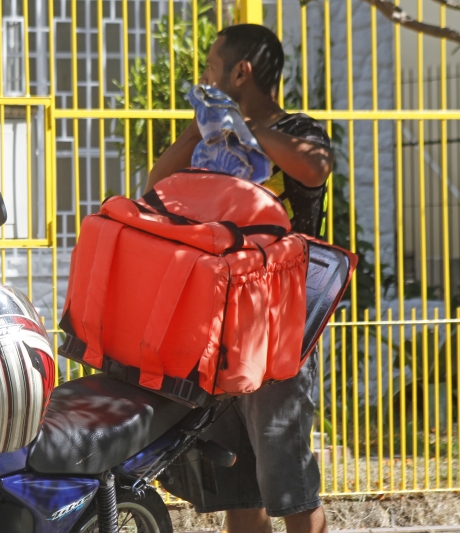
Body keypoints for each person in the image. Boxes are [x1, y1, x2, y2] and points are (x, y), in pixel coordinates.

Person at [149, 24, 334, 533]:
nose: (204, 76)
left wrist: (244, 122)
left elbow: (316, 167)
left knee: (288, 480)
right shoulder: (210, 138)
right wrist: (196, 130)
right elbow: (155, 188)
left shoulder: (298, 129)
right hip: (219, 332)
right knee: (239, 484)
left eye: (211, 66)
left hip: (279, 336)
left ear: (240, 71)